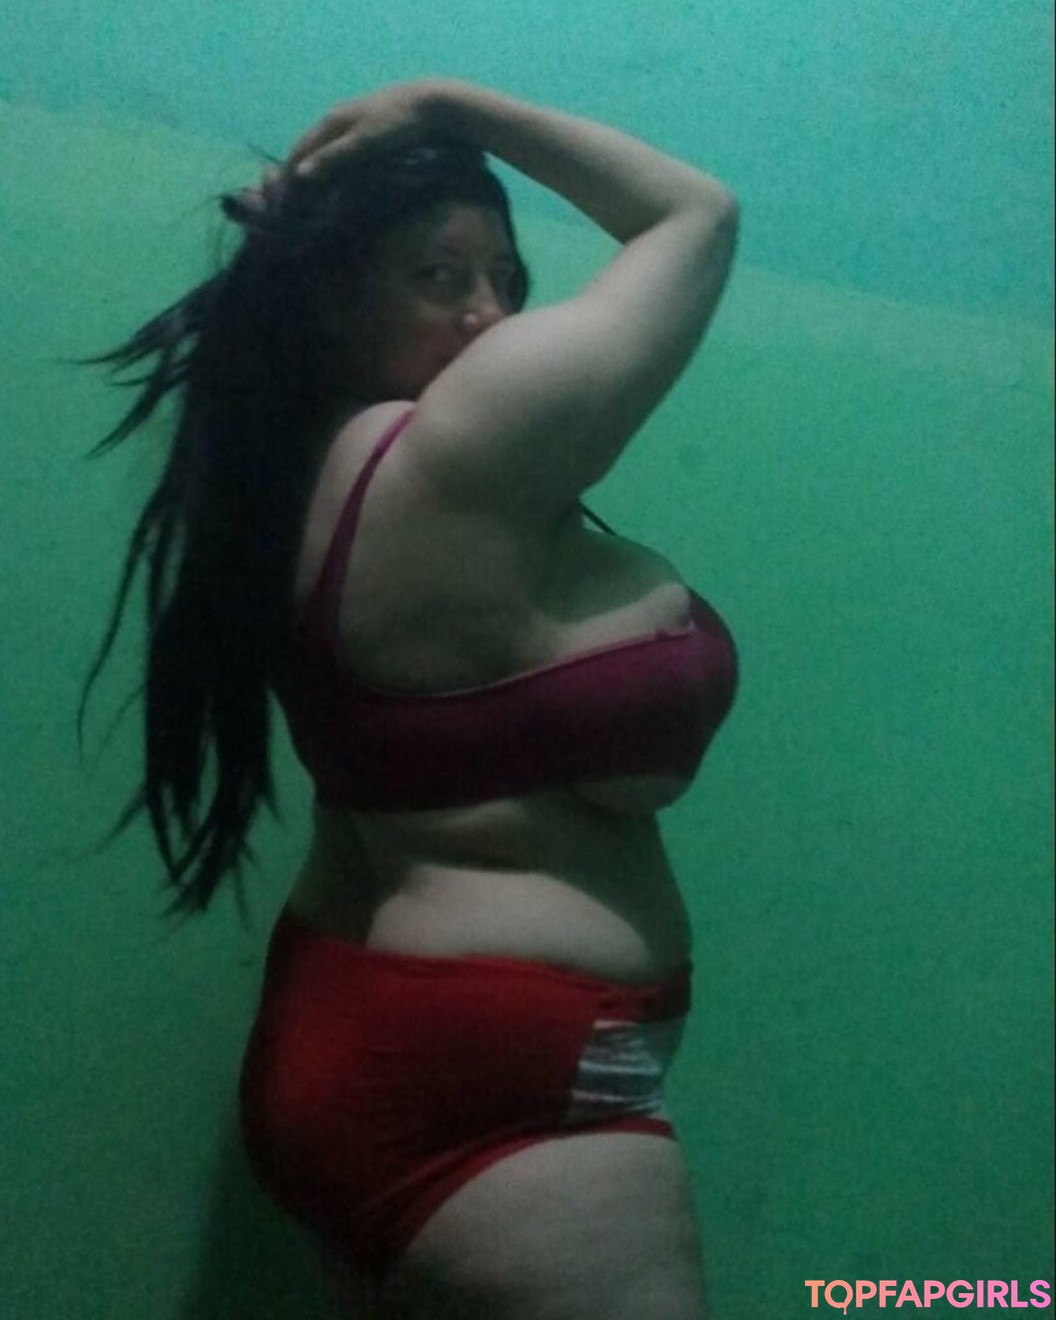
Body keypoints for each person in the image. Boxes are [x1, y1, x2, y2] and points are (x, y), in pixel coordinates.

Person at [78, 78, 740, 1318]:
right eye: (439, 278)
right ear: (333, 301)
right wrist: (447, 106)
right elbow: (693, 215)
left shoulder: (283, 476)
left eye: (504, 276)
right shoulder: (454, 450)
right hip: (505, 1094)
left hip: (352, 1034)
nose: (489, 315)